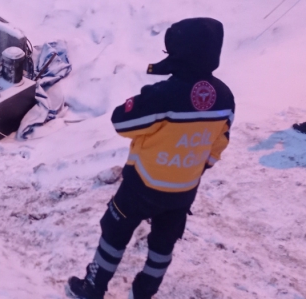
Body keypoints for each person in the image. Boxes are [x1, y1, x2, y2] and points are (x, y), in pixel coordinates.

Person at [66, 18, 235, 299]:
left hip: (141, 185)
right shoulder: (225, 98)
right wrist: (195, 166)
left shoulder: (163, 95)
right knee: (163, 246)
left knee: (114, 234)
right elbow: (220, 143)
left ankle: (93, 288)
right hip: (183, 190)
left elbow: (122, 123)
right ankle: (143, 294)